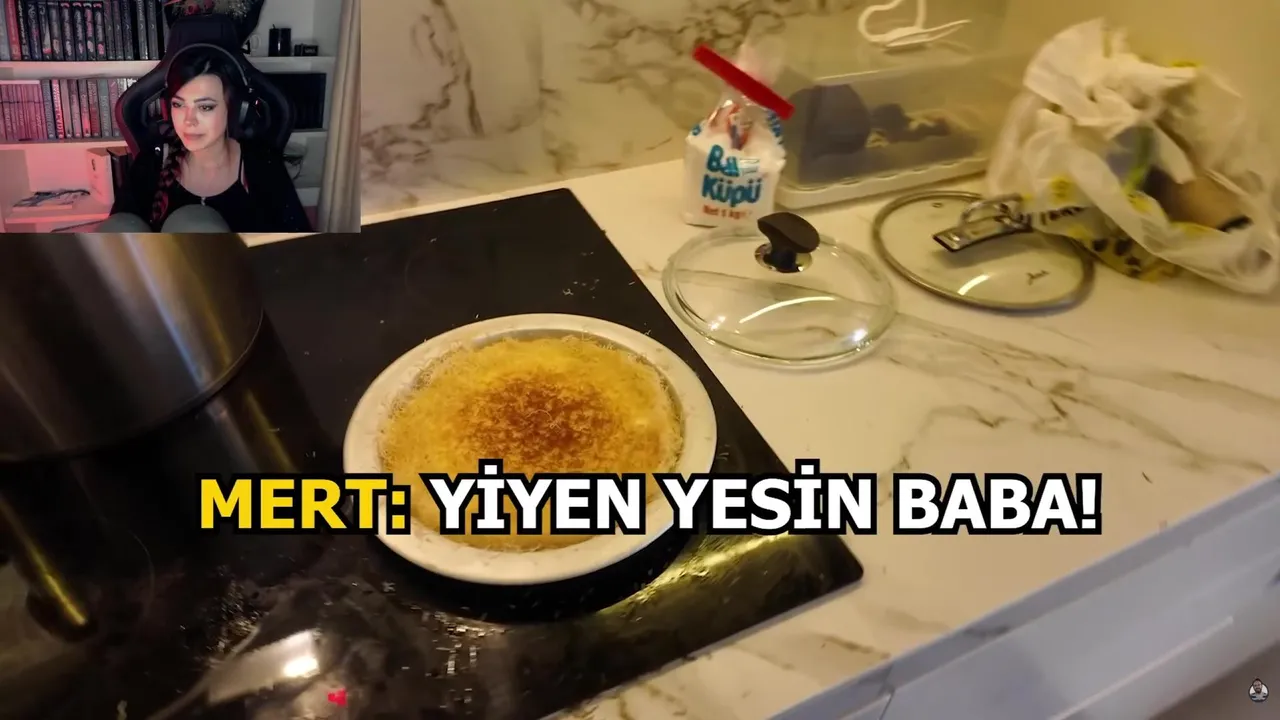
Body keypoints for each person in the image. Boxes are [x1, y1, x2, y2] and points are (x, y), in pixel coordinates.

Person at [99, 46, 312, 233]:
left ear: (234, 110)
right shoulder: (152, 163)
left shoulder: (262, 165)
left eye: (205, 107)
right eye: (178, 105)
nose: (188, 120)